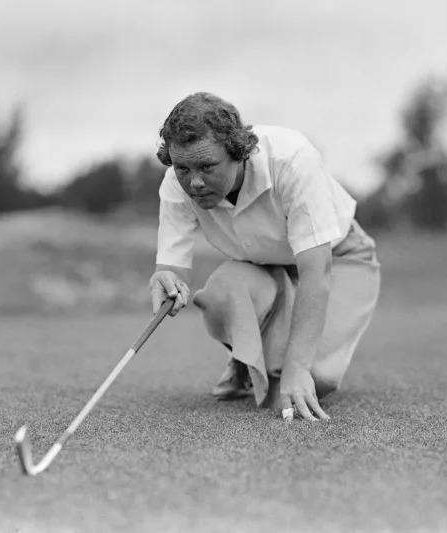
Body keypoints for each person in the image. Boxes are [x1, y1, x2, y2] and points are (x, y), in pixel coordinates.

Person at [149, 92, 380, 422]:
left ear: (239, 152)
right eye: (183, 168)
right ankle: (248, 358)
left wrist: (297, 367)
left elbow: (317, 274)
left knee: (315, 379)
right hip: (263, 267)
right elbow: (171, 271)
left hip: (340, 258)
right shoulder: (177, 182)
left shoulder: (292, 159)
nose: (194, 182)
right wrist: (166, 280)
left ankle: (260, 359)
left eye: (207, 167)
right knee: (218, 296)